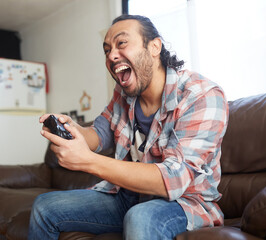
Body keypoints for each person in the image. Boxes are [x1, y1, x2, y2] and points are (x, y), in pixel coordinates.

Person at [28, 14, 229, 240]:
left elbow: (174, 179)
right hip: (129, 196)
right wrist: (73, 129)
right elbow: (99, 133)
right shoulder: (124, 94)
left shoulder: (202, 96)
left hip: (183, 203)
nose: (112, 55)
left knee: (141, 216)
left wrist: (87, 161)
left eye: (121, 43)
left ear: (154, 47)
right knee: (44, 206)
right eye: (107, 50)